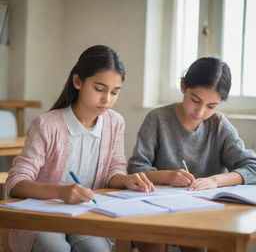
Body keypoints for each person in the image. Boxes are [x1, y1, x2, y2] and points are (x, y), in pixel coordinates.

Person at [6, 45, 153, 252]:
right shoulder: (47, 125)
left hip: (86, 215)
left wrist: (126, 180)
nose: (107, 99)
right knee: (55, 249)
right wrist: (61, 192)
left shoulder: (115, 122)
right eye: (99, 89)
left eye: (114, 92)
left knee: (97, 249)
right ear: (78, 82)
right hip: (44, 218)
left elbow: (113, 170)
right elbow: (16, 183)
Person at [128, 57, 256, 252]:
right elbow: (136, 167)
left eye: (211, 106)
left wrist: (214, 181)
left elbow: (251, 167)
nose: (200, 111)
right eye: (195, 100)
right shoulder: (158, 118)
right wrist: (167, 176)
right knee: (151, 239)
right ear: (182, 87)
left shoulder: (219, 125)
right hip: (159, 209)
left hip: (206, 213)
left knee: (211, 240)